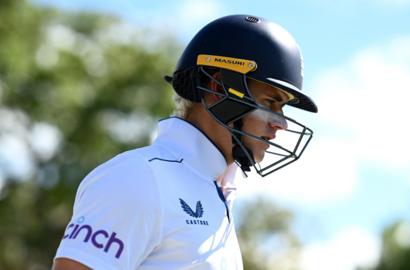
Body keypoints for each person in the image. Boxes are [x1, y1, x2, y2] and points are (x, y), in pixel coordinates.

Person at [52, 14, 318, 270]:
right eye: (270, 102)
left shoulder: (215, 192)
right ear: (218, 89)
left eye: (283, 109)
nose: (280, 123)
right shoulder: (140, 176)